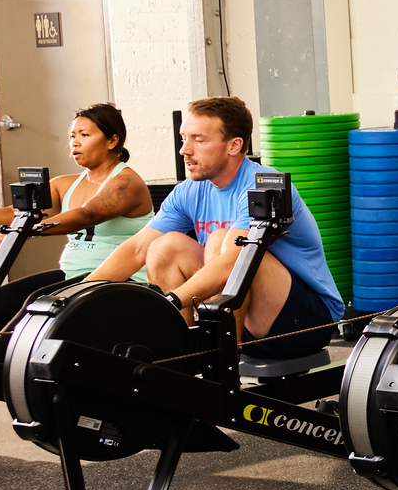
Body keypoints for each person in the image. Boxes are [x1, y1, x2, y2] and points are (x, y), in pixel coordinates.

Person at [89, 97, 345, 361]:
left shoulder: (262, 186)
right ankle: (184, 358)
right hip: (239, 313)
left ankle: (221, 364)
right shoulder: (189, 191)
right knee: (162, 248)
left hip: (303, 323)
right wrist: (79, 297)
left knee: (224, 241)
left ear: (234, 146)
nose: (184, 150)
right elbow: (136, 249)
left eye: (198, 140)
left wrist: (167, 303)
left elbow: (232, 263)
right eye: (183, 139)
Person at [0, 103, 153, 287]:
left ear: (112, 141)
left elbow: (87, 215)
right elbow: (16, 212)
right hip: (73, 276)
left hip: (124, 280)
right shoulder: (66, 184)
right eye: (72, 136)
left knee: (34, 307)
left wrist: (25, 231)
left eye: (84, 135)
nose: (75, 142)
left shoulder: (126, 182)